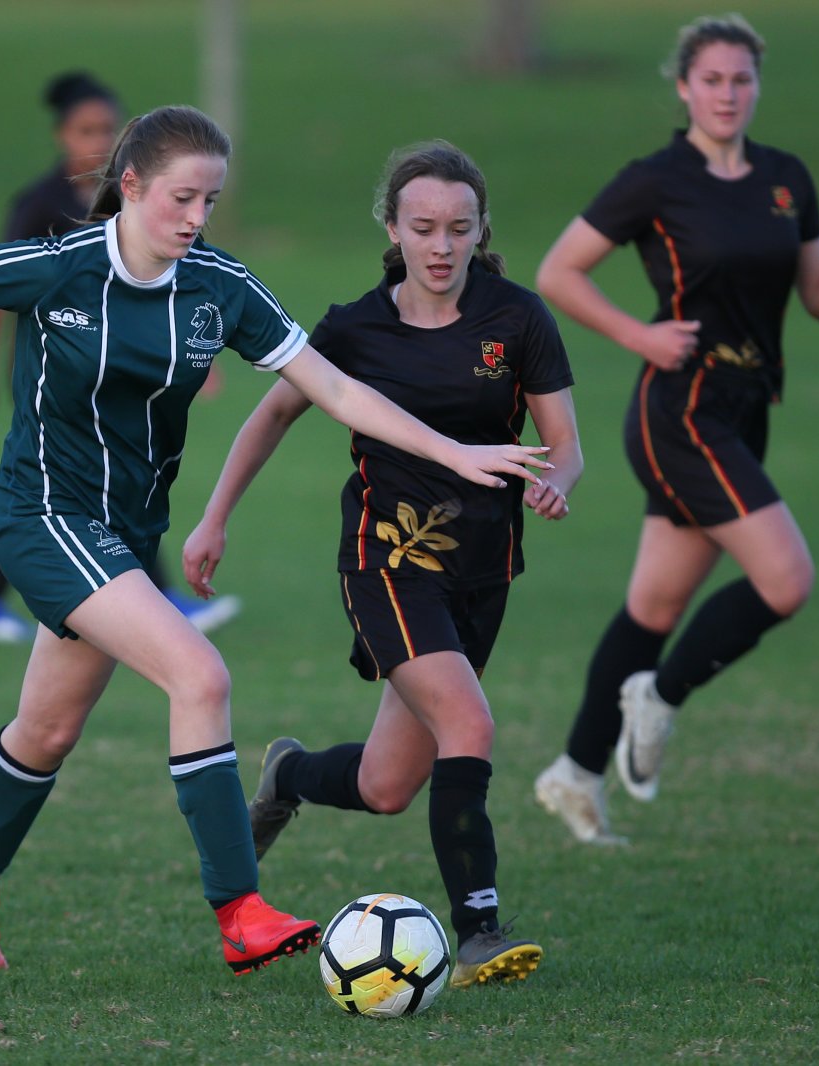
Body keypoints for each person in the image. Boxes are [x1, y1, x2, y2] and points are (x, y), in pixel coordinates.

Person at [0, 106, 549, 975]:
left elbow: (336, 391)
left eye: (210, 201)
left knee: (48, 731)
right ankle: (239, 908)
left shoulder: (219, 286)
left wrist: (455, 451)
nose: (196, 218)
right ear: (131, 186)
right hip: (43, 516)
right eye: (182, 198)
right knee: (200, 674)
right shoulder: (62, 264)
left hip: (124, 531)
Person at [182, 142, 579, 988]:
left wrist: (559, 483)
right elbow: (271, 416)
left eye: (459, 229)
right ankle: (479, 932)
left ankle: (288, 774)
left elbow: (565, 444)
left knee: (388, 784)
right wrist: (214, 518)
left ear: (481, 230)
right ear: (393, 228)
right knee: (469, 725)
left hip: (485, 571)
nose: (442, 245)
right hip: (386, 563)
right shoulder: (354, 328)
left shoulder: (517, 319)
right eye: (424, 227)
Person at [530, 14, 819, 844]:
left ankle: (575, 772)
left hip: (747, 406)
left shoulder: (786, 178)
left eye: (741, 79)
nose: (728, 94)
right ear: (684, 85)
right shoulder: (656, 181)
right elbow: (558, 271)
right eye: (712, 79)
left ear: (757, 85)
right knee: (786, 580)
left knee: (654, 606)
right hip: (682, 410)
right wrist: (640, 335)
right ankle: (657, 696)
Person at [0, 72, 239, 643]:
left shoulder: (138, 206)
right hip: (61, 363)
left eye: (107, 128)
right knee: (60, 478)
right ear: (62, 136)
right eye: (86, 130)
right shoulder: (41, 203)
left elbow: (170, 289)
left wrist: (201, 358)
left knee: (102, 477)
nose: (98, 140)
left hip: (122, 365)